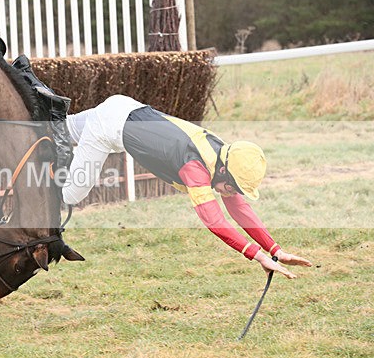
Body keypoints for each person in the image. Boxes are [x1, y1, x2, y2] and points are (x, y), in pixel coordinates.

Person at [62, 95, 312, 278]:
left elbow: (238, 209)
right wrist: (257, 255)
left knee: (54, 130)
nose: (233, 194)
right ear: (225, 172)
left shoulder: (221, 153)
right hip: (107, 129)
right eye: (234, 187)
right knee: (72, 193)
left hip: (123, 106)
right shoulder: (195, 166)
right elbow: (215, 222)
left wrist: (275, 250)